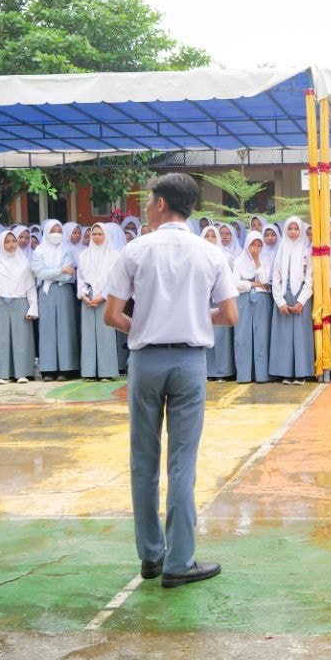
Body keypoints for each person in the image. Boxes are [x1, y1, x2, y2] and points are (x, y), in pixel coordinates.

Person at [104, 173, 239, 589]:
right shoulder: (210, 253)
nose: (146, 207)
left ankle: (150, 556)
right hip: (189, 363)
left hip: (145, 360)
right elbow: (230, 315)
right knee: (183, 462)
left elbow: (111, 314)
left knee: (143, 459)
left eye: (149, 201)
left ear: (162, 204)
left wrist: (144, 324)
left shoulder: (136, 249)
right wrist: (197, 318)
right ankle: (180, 561)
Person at [0, 229, 38, 385]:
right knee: (1, 339)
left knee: (22, 339)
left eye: (13, 241)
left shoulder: (25, 263)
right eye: (7, 241)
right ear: (1, 244)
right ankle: (2, 373)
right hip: (0, 304)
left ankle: (22, 372)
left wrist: (33, 308)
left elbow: (31, 287)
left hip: (20, 303)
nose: (11, 244)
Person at [32, 219, 80, 382]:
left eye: (59, 231)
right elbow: (39, 272)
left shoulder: (66, 250)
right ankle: (48, 369)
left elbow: (69, 274)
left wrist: (51, 272)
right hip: (46, 293)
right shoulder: (38, 251)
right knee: (47, 330)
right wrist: (60, 270)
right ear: (46, 232)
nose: (57, 234)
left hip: (64, 291)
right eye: (53, 231)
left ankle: (66, 369)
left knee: (65, 329)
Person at [76, 223, 125, 381]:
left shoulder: (114, 256)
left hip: (107, 297)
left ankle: (106, 372)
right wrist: (83, 295)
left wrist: (103, 296)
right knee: (88, 335)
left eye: (100, 234)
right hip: (88, 297)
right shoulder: (84, 255)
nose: (96, 237)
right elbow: (80, 278)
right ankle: (89, 372)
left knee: (105, 334)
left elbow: (115, 280)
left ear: (106, 236)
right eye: (94, 234)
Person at [269, 216, 314, 384]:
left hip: (301, 296)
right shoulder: (282, 249)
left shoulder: (307, 250)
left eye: (296, 229)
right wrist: (280, 302)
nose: (293, 232)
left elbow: (310, 278)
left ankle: (301, 373)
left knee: (301, 336)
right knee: (284, 336)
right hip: (283, 295)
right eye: (290, 229)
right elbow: (276, 276)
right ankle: (285, 372)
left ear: (301, 230)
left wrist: (301, 301)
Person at [233, 231, 273, 383]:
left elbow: (265, 279)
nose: (256, 248)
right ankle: (244, 375)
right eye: (253, 245)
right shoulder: (238, 261)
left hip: (261, 301)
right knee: (242, 337)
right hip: (243, 301)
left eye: (259, 245)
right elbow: (235, 284)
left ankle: (261, 375)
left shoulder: (266, 259)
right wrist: (253, 284)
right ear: (247, 245)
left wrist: (257, 261)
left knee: (261, 336)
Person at [200, 226, 236, 381]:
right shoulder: (197, 256)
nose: (209, 238)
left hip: (220, 299)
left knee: (221, 337)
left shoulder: (226, 256)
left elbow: (230, 280)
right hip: (202, 300)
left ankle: (223, 371)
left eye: (212, 236)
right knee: (205, 334)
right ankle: (208, 371)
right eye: (206, 235)